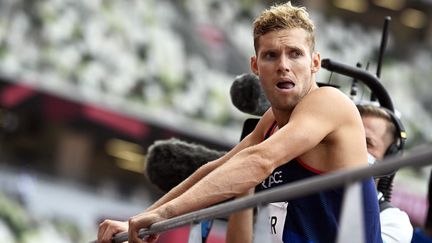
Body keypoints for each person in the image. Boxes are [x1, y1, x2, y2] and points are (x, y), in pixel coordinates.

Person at [97, 2, 382, 243]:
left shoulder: (329, 102)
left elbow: (260, 161)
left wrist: (165, 215)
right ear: (256, 66)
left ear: (315, 63)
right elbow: (217, 168)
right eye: (271, 55)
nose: (283, 64)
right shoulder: (272, 121)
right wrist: (143, 219)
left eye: (295, 54)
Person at [357, 104, 413, 243]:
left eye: (367, 142)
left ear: (389, 159)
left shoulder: (394, 223)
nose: (353, 146)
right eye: (350, 137)